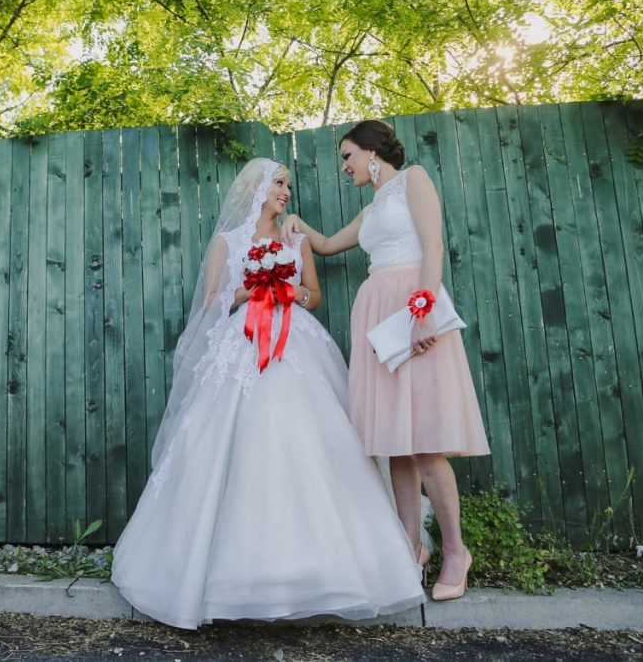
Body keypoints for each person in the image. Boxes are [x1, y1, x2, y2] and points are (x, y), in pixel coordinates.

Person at [110, 158, 425, 630]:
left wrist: (288, 293)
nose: (285, 192)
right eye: (279, 183)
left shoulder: (296, 239)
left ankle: (330, 569)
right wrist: (250, 291)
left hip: (297, 341)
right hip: (243, 343)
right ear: (257, 188)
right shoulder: (228, 242)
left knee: (312, 437)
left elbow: (313, 294)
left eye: (287, 186)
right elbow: (213, 300)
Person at [281, 120, 491, 601]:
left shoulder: (413, 179)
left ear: (372, 152)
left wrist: (423, 312)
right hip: (376, 316)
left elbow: (432, 246)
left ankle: (455, 551)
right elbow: (327, 245)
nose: (345, 166)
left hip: (411, 308)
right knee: (396, 443)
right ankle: (409, 549)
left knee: (426, 444)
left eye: (347, 155)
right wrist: (297, 224)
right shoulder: (371, 209)